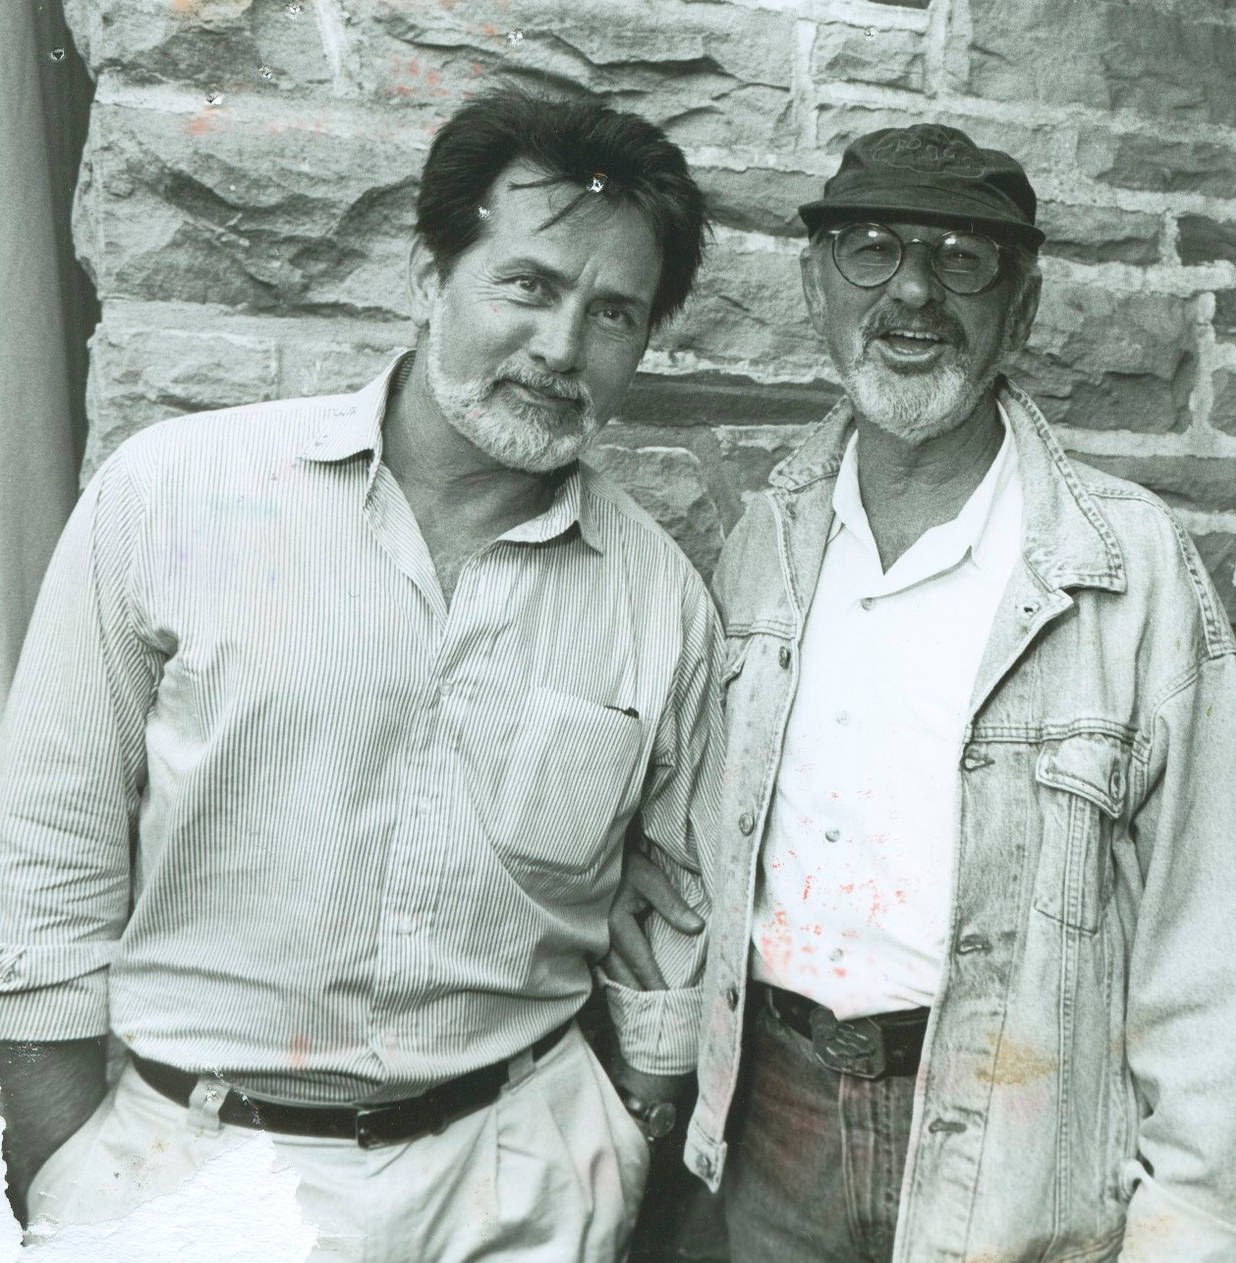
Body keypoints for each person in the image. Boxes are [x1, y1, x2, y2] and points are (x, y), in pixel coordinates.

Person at [0, 89, 721, 1261]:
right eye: (529, 285)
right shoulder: (173, 493)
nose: (560, 347)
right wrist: (65, 1169)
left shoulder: (660, 604)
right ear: (429, 273)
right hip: (190, 1178)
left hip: (520, 1185)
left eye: (614, 314)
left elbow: (671, 912)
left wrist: (628, 1136)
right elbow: (43, 858)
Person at [626, 123, 1236, 1260]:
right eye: (873, 252)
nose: (915, 296)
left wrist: (1188, 1229)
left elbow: (1213, 947)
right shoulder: (767, 540)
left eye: (963, 260)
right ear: (816, 289)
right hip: (772, 1129)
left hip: (1021, 1147)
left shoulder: (1122, 569)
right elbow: (695, 858)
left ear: (1022, 314)